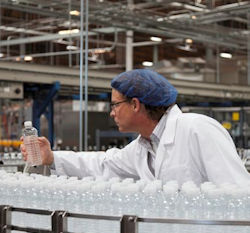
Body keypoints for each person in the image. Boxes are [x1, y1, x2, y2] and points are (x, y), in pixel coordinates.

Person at [21, 69, 250, 187]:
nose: (111, 112)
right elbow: (103, 165)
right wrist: (51, 158)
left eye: (115, 105)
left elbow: (237, 193)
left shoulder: (198, 129)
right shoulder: (143, 145)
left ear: (135, 104)